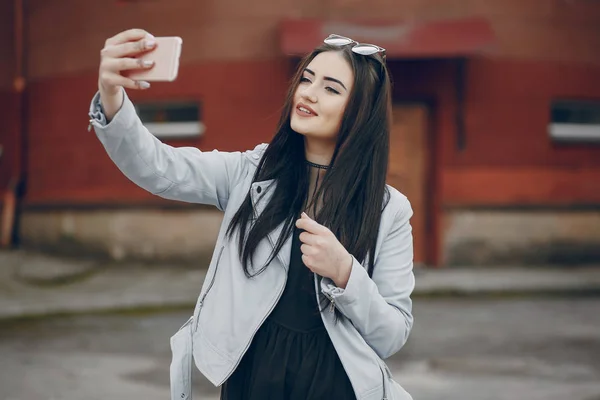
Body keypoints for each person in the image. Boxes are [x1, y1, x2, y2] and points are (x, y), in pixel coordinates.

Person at [89, 28, 415, 400]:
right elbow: (158, 167)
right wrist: (111, 95)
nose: (308, 92)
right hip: (253, 377)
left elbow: (391, 335)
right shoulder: (251, 173)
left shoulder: (389, 211)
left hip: (334, 384)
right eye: (307, 78)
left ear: (360, 113)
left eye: (330, 88)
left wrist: (345, 273)